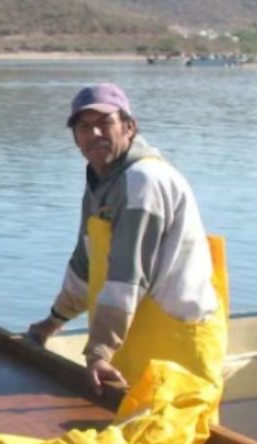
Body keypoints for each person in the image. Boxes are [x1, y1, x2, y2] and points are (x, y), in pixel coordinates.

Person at [27, 82, 227, 396]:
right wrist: (52, 322)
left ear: (129, 127)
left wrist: (99, 351)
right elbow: (86, 263)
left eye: (104, 123)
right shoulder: (100, 179)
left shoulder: (143, 181)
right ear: (75, 138)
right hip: (138, 338)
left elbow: (128, 276)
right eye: (83, 127)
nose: (94, 134)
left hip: (177, 342)